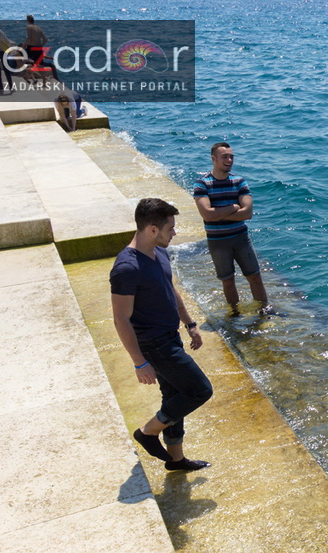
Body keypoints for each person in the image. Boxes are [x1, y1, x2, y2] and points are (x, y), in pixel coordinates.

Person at [110, 198, 212, 471]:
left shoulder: (159, 253)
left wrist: (189, 323)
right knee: (199, 390)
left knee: (174, 397)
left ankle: (176, 460)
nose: (175, 233)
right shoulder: (127, 268)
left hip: (171, 336)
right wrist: (139, 362)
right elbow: (120, 319)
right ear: (152, 229)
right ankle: (148, 432)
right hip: (154, 345)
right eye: (171, 228)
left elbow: (171, 290)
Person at [192, 142, 269, 311]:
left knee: (255, 277)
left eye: (231, 156)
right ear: (214, 158)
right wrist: (233, 208)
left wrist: (217, 212)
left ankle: (264, 311)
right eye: (225, 157)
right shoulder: (202, 184)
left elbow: (247, 213)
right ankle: (234, 314)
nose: (229, 160)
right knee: (228, 281)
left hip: (241, 239)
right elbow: (207, 215)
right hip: (217, 242)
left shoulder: (239, 181)